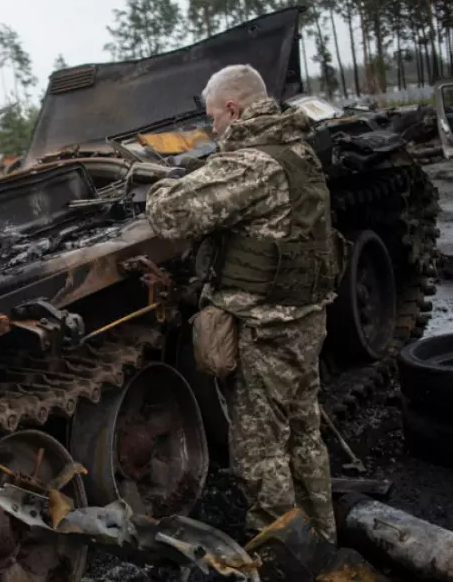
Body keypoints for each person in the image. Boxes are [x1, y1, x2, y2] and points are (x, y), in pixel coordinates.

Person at [144, 64, 341, 544]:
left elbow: (167, 213)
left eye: (213, 118)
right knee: (303, 434)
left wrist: (166, 178)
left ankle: (280, 565)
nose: (211, 128)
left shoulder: (250, 165)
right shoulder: (296, 146)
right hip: (303, 318)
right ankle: (321, 537)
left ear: (233, 109)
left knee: (261, 452)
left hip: (264, 330)